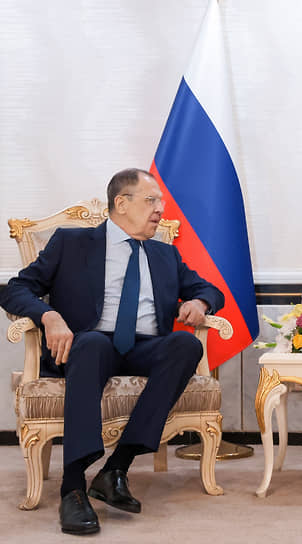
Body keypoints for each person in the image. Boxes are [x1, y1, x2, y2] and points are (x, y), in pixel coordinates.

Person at [0, 168, 224, 535]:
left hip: (146, 347)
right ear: (121, 203)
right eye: (151, 201)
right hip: (88, 346)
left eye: (160, 202)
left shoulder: (165, 254)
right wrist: (49, 315)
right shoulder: (71, 243)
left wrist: (199, 302)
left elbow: (210, 290)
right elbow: (15, 290)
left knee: (185, 344)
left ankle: (116, 468)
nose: (160, 210)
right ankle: (73, 488)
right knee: (92, 343)